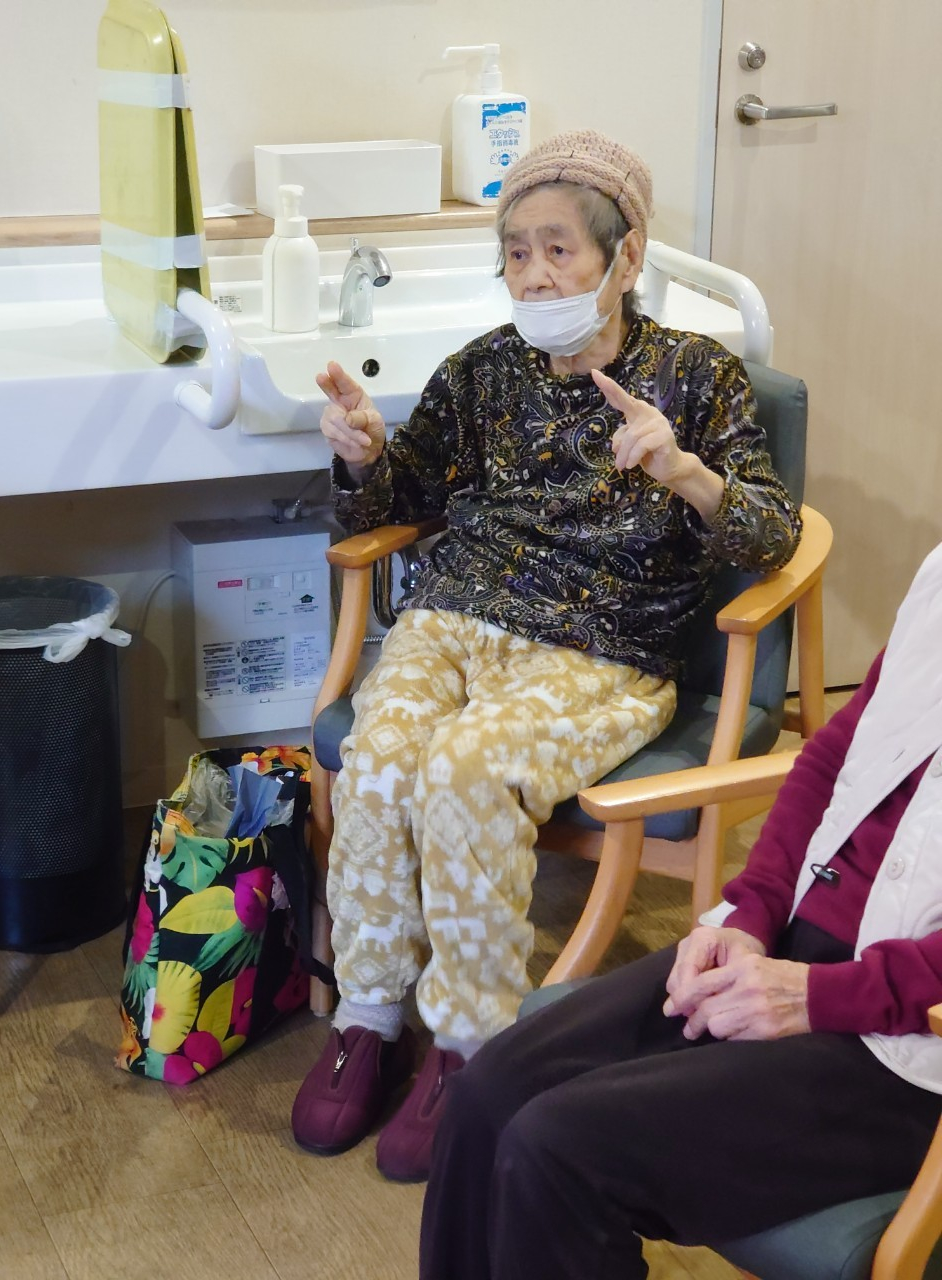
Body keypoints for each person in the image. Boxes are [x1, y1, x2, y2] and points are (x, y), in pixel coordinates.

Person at [290, 129, 802, 1183]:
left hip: (601, 646)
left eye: (559, 250)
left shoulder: (697, 375)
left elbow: (772, 535)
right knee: (379, 758)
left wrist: (685, 470)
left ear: (626, 255)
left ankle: (470, 1044)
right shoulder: (483, 369)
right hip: (455, 619)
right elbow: (397, 502)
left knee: (466, 770)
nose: (534, 274)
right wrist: (365, 457)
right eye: (516, 253)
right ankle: (371, 1016)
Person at [419, 538, 942, 1280]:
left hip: (907, 1048)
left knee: (559, 1151)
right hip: (793, 944)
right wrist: (753, 916)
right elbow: (831, 758)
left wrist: (818, 997)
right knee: (486, 1093)